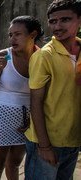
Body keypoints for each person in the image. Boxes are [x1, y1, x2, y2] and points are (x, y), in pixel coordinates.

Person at [24, 1, 81, 179]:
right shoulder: (44, 56)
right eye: (52, 21)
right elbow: (36, 101)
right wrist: (44, 146)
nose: (57, 26)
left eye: (65, 19)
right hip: (47, 141)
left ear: (79, 19)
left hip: (72, 139)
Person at [0, 15, 43, 180]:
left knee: (15, 163)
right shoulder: (4, 56)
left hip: (27, 121)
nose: (12, 38)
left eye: (18, 34)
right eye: (11, 35)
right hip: (1, 117)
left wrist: (32, 120)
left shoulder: (41, 58)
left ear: (32, 35)